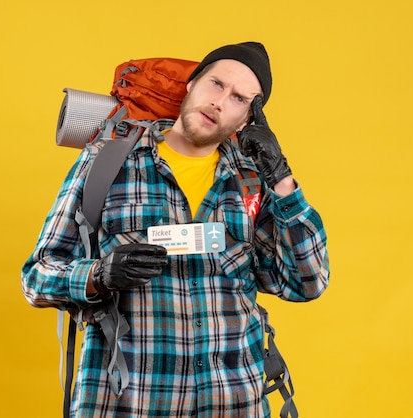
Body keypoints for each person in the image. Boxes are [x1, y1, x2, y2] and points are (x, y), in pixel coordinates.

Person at [22, 41, 330, 417]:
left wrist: (281, 177)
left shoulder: (251, 179)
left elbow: (307, 282)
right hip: (127, 402)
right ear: (191, 84)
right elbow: (36, 277)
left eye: (239, 99)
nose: (220, 101)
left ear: (249, 118)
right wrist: (99, 274)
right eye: (216, 84)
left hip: (233, 402)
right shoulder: (109, 160)